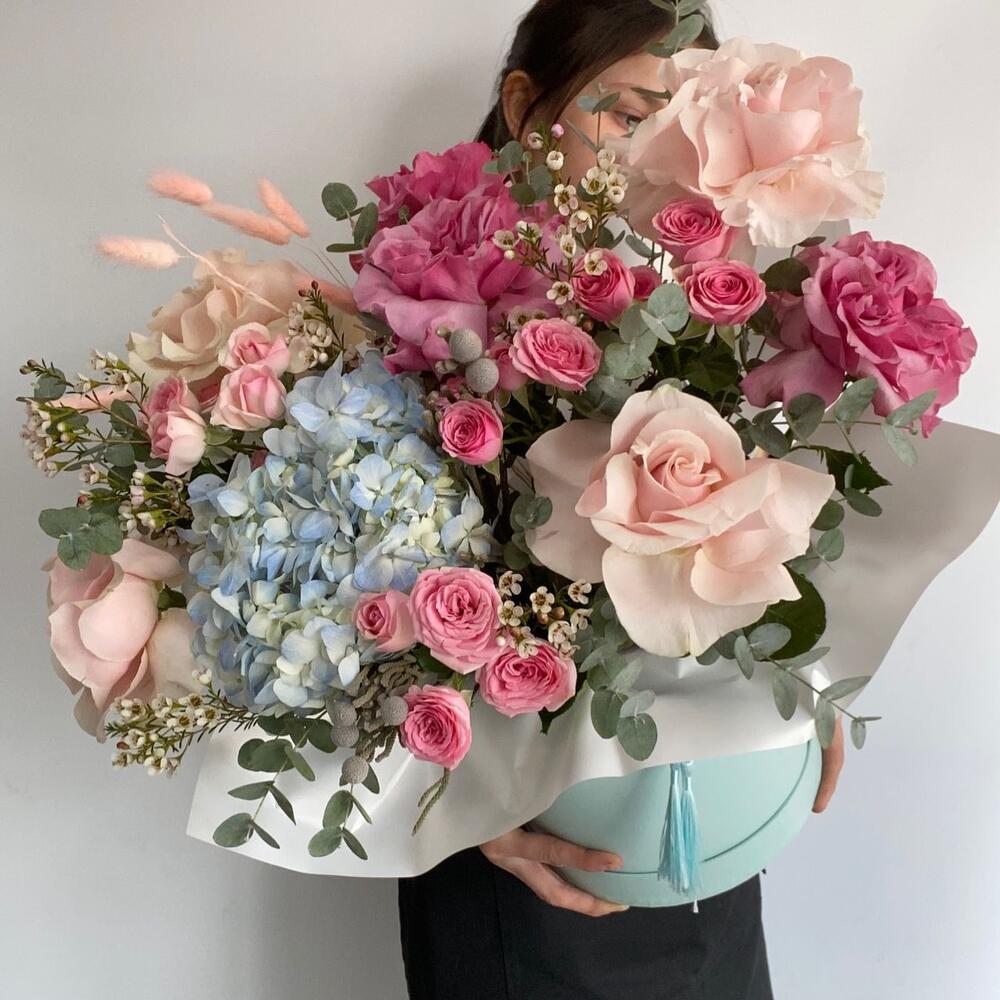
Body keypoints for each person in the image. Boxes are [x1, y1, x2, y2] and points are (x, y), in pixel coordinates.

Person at [397, 2, 846, 996]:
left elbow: (762, 532)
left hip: (704, 831)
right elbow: (351, 603)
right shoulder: (420, 312)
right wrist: (461, 801)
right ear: (526, 107)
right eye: (631, 115)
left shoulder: (706, 309)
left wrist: (804, 682)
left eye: (690, 123)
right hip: (518, 855)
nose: (660, 152)